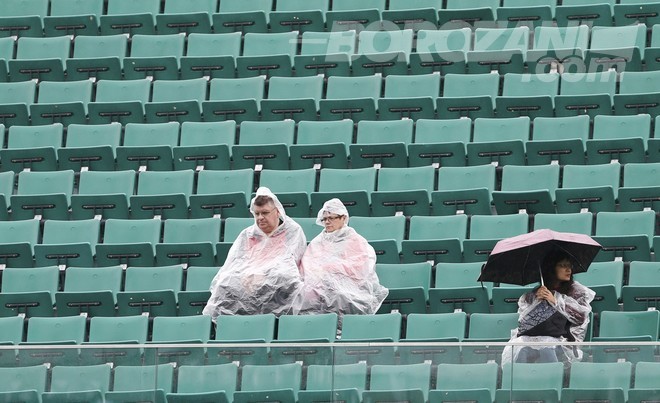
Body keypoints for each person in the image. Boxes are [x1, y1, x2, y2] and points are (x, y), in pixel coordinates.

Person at [203, 187, 306, 319]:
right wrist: (246, 275)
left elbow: (289, 262)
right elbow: (235, 263)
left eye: (265, 213)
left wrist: (263, 274)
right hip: (249, 279)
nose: (260, 218)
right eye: (257, 214)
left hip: (278, 279)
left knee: (284, 277)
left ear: (277, 212)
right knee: (225, 281)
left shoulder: (292, 231)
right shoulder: (247, 234)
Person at [293, 198, 388, 317]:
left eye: (331, 218)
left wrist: (330, 270)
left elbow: (361, 267)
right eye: (325, 219)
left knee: (338, 295)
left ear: (343, 218)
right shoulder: (317, 242)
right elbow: (307, 264)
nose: (327, 222)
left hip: (348, 287)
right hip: (318, 286)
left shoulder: (355, 240)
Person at [502, 250, 595, 364]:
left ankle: (552, 380)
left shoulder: (577, 291)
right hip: (536, 337)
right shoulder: (539, 291)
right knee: (520, 348)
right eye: (563, 266)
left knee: (546, 348)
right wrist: (535, 299)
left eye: (569, 266)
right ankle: (519, 379)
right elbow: (524, 318)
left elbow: (581, 317)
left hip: (565, 339)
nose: (569, 270)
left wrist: (555, 300)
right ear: (552, 268)